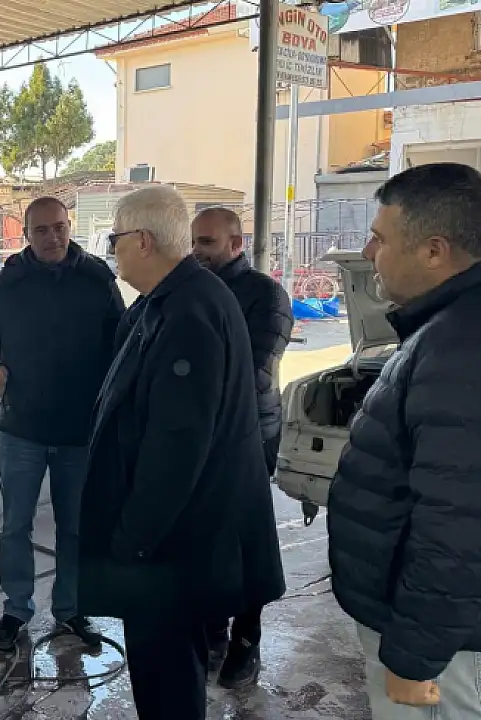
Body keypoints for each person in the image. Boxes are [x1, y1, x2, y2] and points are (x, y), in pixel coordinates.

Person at [327, 163, 481, 719]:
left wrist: (416, 657)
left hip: (451, 651)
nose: (368, 252)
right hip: (449, 637)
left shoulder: (475, 350)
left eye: (380, 238)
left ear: (434, 251)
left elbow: (463, 530)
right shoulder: (467, 325)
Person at [77, 186, 285, 719]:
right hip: (174, 540)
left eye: (116, 239)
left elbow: (175, 448)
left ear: (143, 241)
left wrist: (133, 541)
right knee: (167, 672)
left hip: (169, 547)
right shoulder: (170, 300)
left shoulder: (190, 312)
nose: (114, 251)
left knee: (167, 679)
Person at [0, 197, 122, 652]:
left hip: (79, 432)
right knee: (16, 526)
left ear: (71, 227)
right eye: (42, 230)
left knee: (75, 529)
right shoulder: (9, 282)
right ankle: (16, 610)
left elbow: (122, 340)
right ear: (27, 234)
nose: (53, 237)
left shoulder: (97, 280)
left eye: (60, 227)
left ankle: (70, 610)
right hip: (21, 428)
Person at [190, 206, 294, 687]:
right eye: (194, 241)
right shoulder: (192, 290)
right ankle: (212, 627)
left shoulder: (265, 295)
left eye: (207, 243)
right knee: (205, 538)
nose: (197, 251)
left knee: (246, 541)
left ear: (236, 244)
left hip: (250, 435)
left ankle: (246, 639)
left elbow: (253, 371)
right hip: (201, 437)